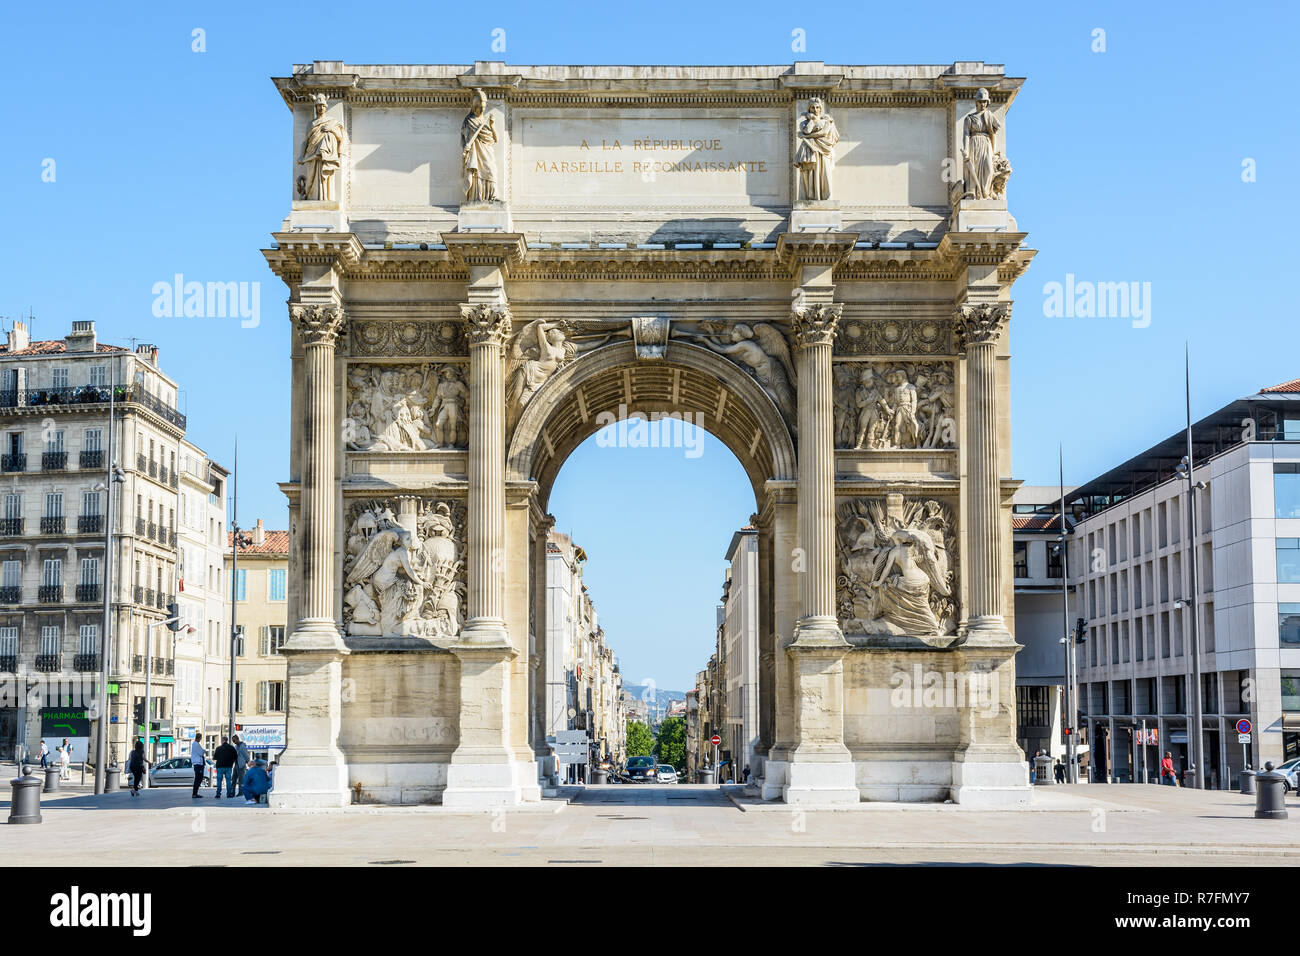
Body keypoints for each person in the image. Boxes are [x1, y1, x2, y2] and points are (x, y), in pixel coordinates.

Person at [190, 732, 206, 799]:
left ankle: (195, 793)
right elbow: (201, 753)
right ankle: (195, 793)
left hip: (197, 763)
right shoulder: (196, 744)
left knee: (198, 778)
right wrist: (204, 750)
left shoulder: (195, 744)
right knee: (198, 778)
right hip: (198, 764)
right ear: (199, 738)